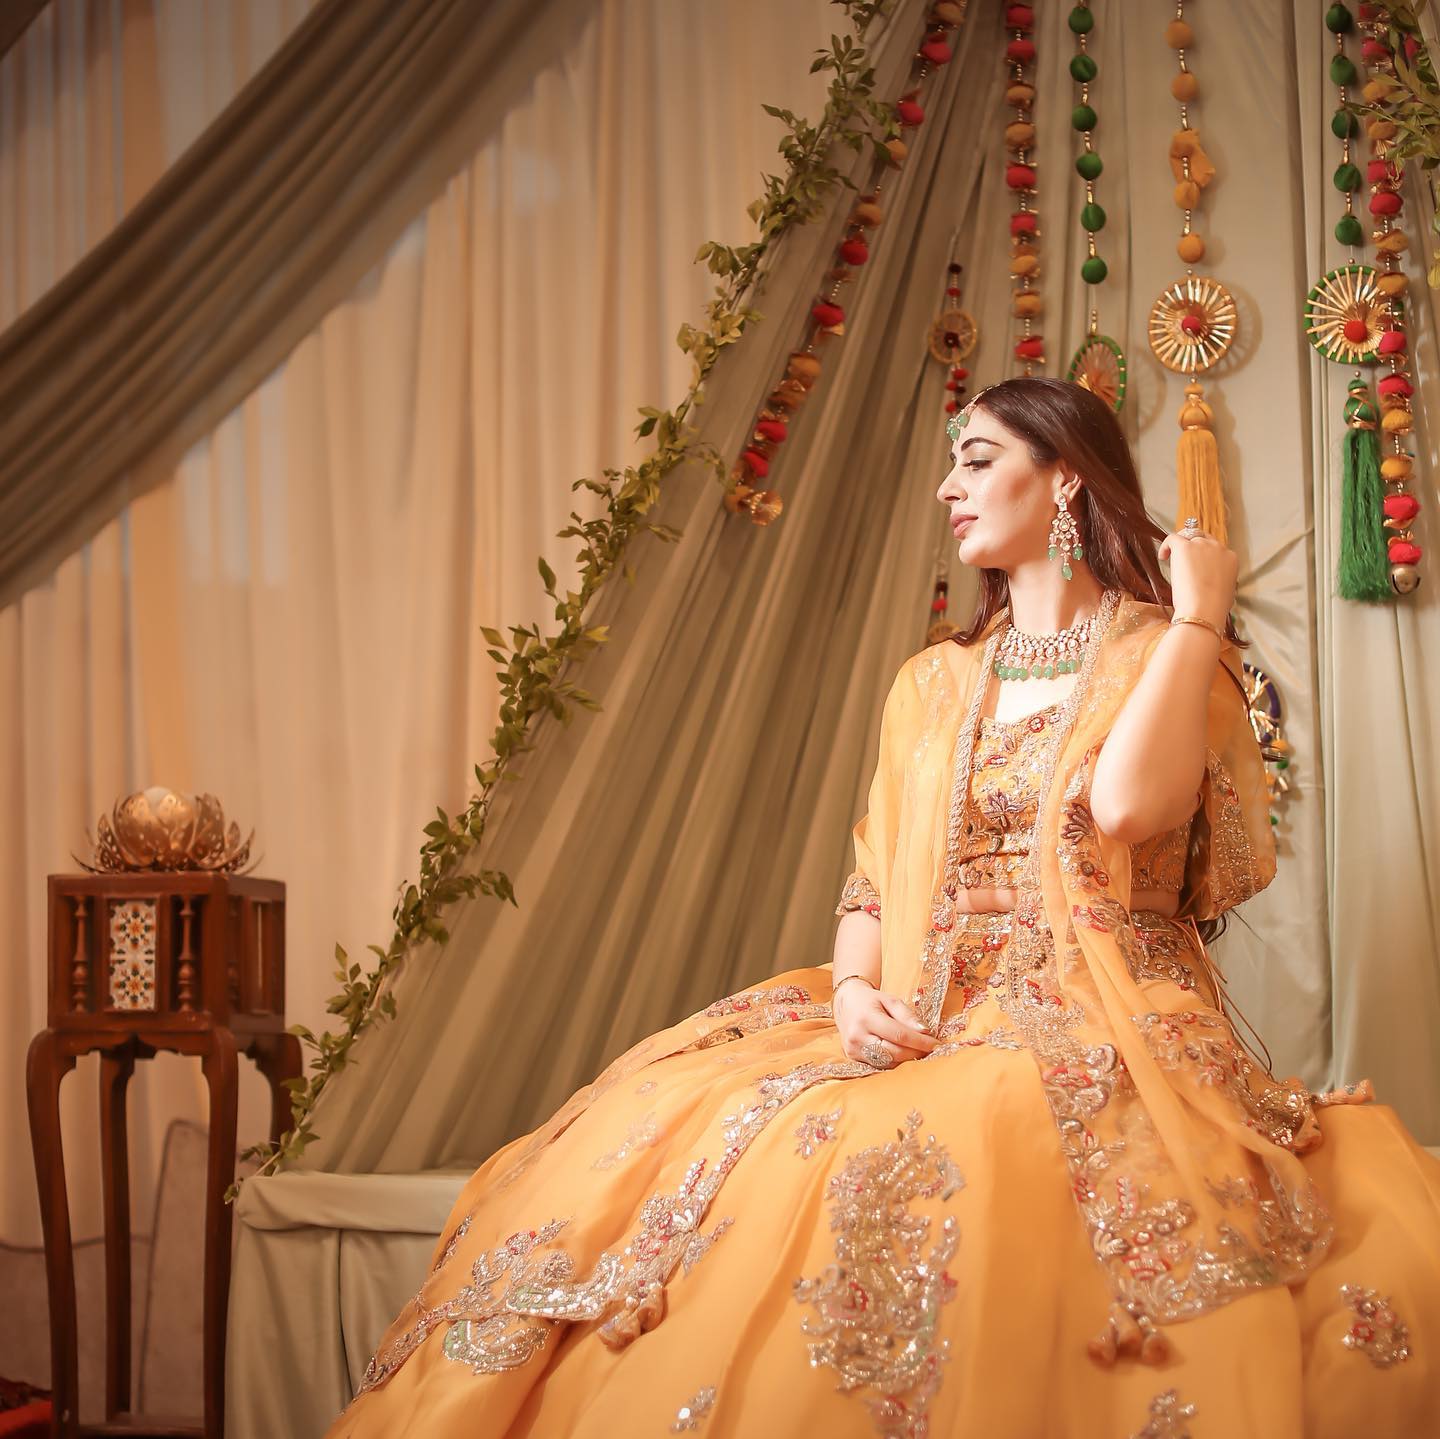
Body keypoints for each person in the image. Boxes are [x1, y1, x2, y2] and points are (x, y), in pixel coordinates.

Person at [327, 377, 1439, 1438]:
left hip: (1103, 1010)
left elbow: (1128, 807)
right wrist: (856, 993)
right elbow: (872, 878)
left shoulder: (1161, 650)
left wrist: (1198, 620)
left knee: (982, 1120)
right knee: (690, 1125)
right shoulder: (932, 682)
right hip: (921, 1003)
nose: (950, 486)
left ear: (1064, 477)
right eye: (953, 464)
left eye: (978, 459)